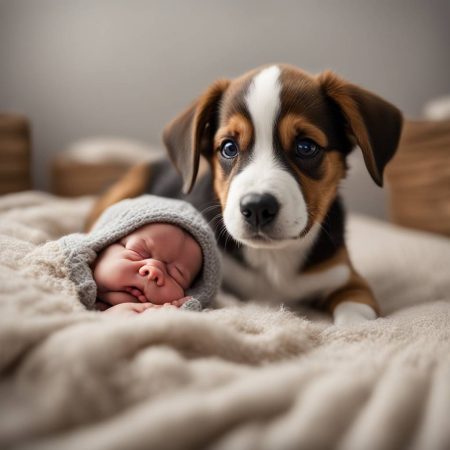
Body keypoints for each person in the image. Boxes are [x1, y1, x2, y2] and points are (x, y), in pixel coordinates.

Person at [58, 195, 221, 315]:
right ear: (102, 244)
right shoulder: (57, 274)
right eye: (139, 252)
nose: (154, 270)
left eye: (177, 275)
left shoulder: (164, 316)